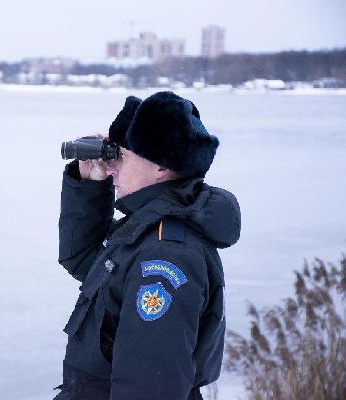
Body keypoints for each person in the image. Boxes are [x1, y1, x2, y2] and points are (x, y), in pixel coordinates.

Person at [55, 92, 241, 400]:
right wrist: (89, 183)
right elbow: (85, 262)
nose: (110, 166)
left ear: (160, 167)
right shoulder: (145, 230)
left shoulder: (165, 256)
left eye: (121, 156)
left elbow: (151, 389)